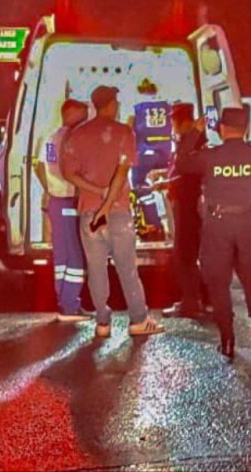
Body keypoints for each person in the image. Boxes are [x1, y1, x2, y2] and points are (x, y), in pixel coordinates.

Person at [61, 85, 164, 338]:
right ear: (110, 104)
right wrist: (106, 201)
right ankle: (138, 320)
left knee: (96, 269)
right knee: (126, 267)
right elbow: (121, 172)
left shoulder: (77, 135)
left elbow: (68, 173)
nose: (117, 106)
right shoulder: (123, 133)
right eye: (116, 102)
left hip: (88, 213)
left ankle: (103, 323)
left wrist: (95, 190)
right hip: (116, 213)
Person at [179, 106, 251, 359]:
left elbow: (183, 162)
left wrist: (195, 132)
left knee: (219, 282)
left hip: (218, 224)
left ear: (221, 128)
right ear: (246, 129)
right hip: (249, 221)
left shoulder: (211, 156)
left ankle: (227, 340)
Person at [151, 103, 210, 319]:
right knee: (184, 254)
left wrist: (165, 184)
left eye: (173, 120)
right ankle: (192, 300)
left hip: (188, 206)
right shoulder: (186, 141)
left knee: (185, 255)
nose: (171, 125)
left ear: (184, 121)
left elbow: (188, 174)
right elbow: (181, 169)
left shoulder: (193, 142)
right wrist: (163, 176)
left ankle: (191, 302)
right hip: (183, 204)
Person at [35, 99, 88, 322]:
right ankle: (69, 307)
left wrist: (49, 188)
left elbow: (39, 166)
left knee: (62, 256)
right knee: (76, 257)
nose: (85, 119)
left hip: (58, 201)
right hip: (69, 201)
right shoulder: (71, 139)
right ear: (69, 114)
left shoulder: (50, 137)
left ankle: (66, 302)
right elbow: (74, 171)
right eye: (82, 115)